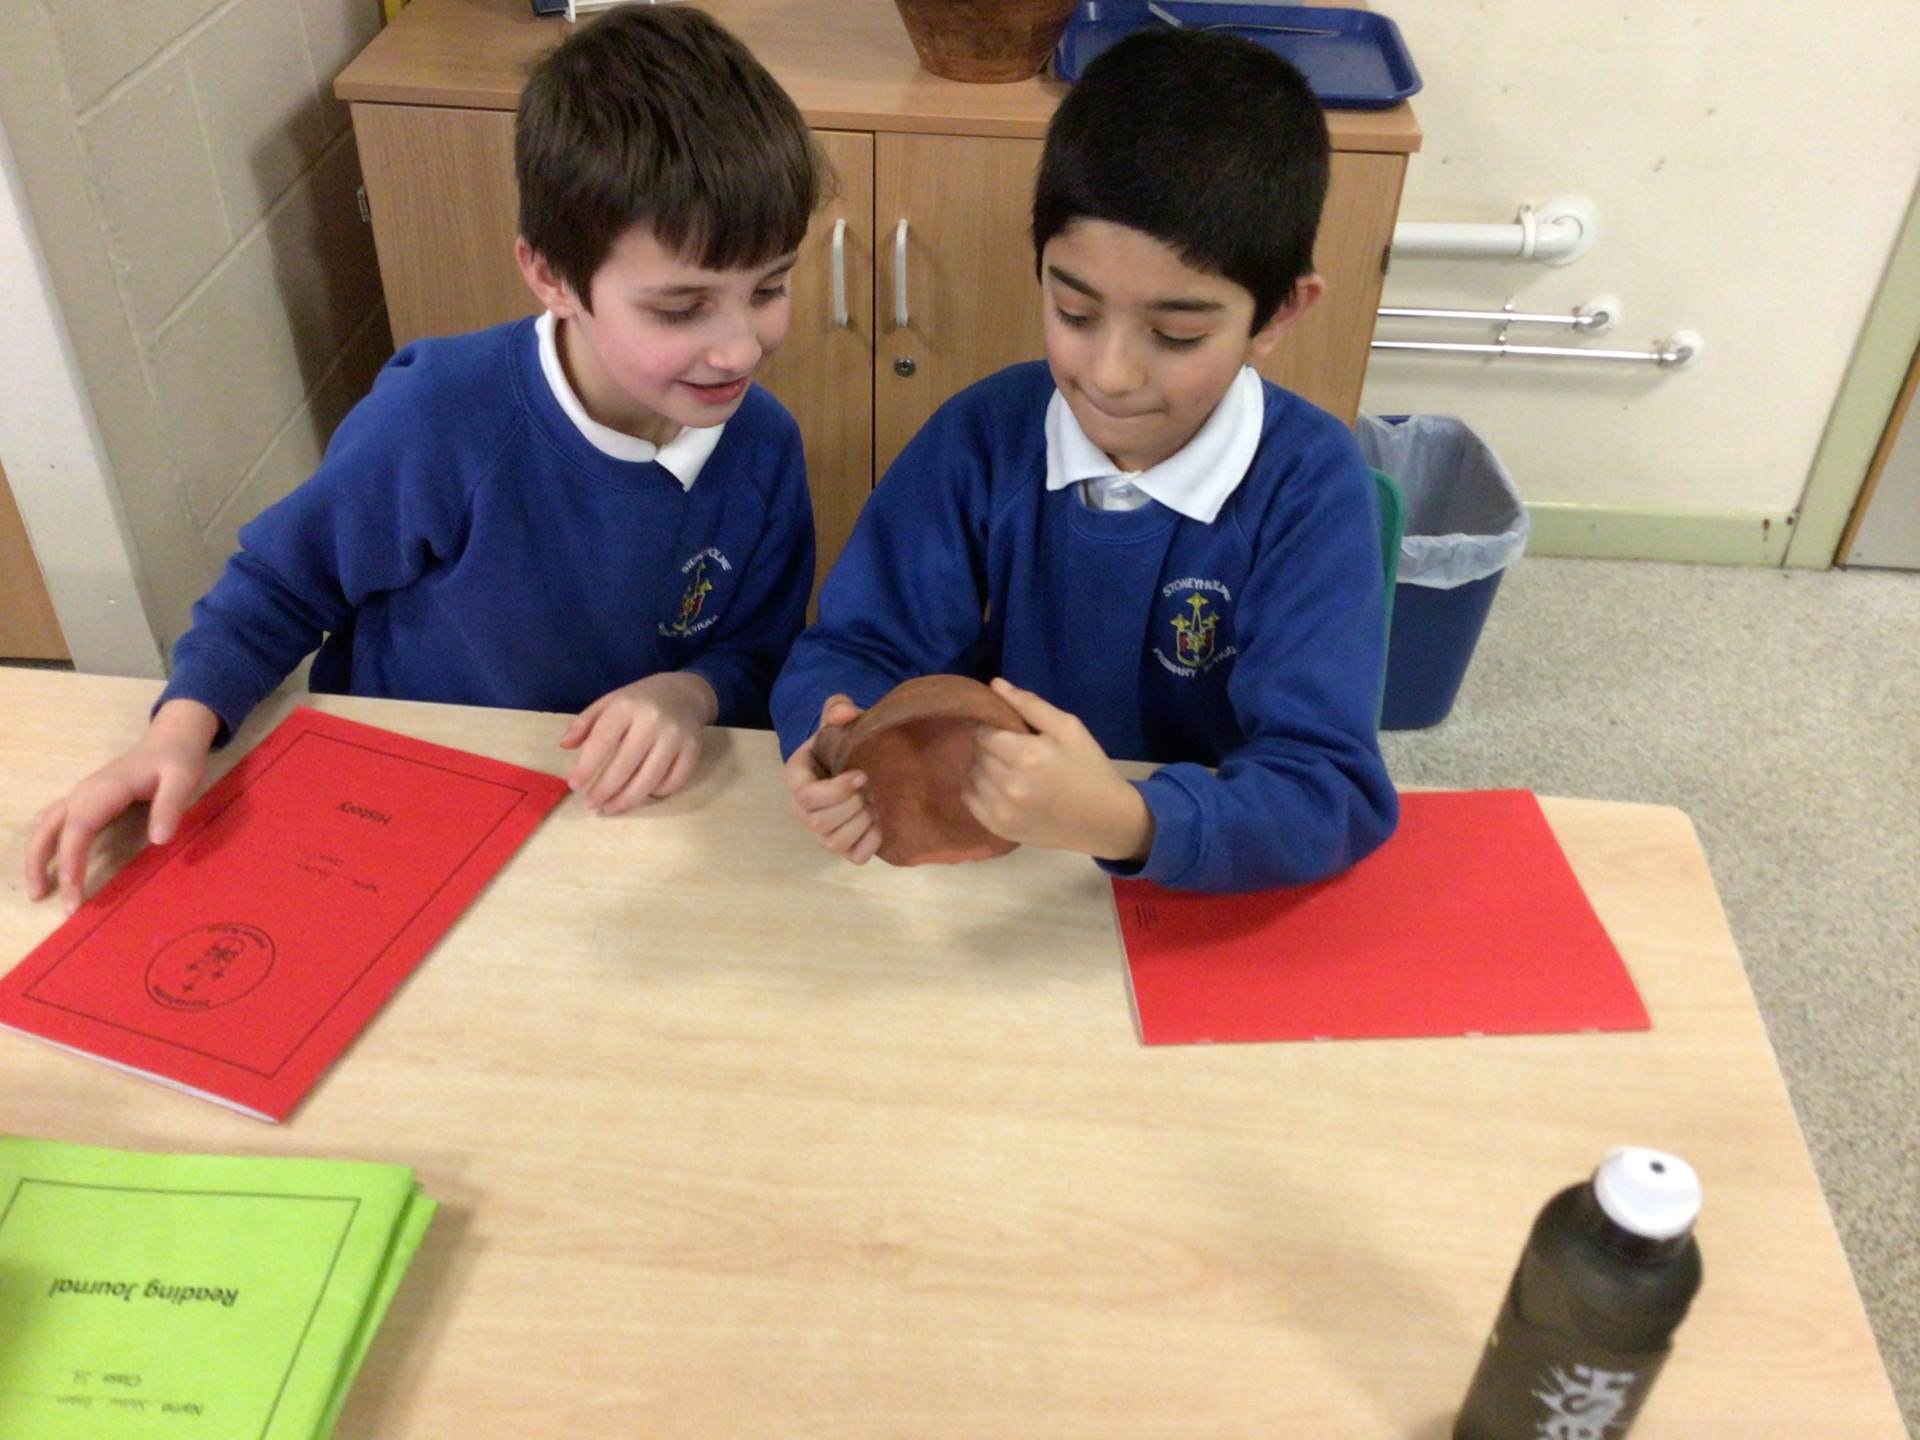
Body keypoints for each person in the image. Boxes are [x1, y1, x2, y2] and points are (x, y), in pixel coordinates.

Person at [25, 5, 823, 912]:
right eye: (680, 309)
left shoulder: (762, 447)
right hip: (403, 799)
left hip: (607, 829)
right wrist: (174, 735)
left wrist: (688, 694)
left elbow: (760, 652)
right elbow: (283, 585)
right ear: (552, 278)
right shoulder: (442, 415)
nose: (741, 348)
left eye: (769, 288)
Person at [773, 27, 1396, 894]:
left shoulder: (1310, 487)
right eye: (1074, 313)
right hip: (995, 877)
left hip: (1198, 876)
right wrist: (829, 738)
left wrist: (1127, 821)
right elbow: (853, 647)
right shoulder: (982, 437)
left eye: (1176, 334)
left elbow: (1330, 790)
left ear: (1281, 313)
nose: (1109, 375)